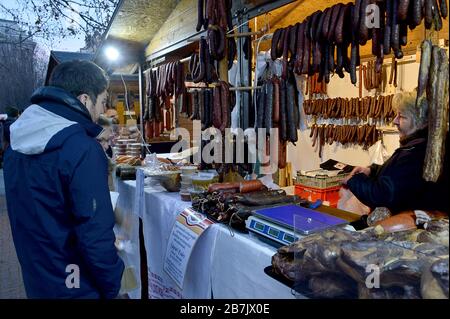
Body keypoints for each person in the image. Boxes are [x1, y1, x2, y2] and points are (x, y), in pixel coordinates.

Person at [3, 60, 124, 298]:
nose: (101, 112)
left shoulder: (15, 144)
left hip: (39, 275)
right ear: (84, 100)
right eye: (101, 102)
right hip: (77, 283)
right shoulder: (82, 148)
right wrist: (113, 285)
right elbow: (95, 235)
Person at [342, 91, 449, 214]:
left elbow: (382, 196)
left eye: (402, 116)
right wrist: (372, 171)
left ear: (421, 122)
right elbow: (400, 177)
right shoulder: (426, 145)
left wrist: (354, 180)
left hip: (413, 228)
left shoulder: (417, 152)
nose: (395, 121)